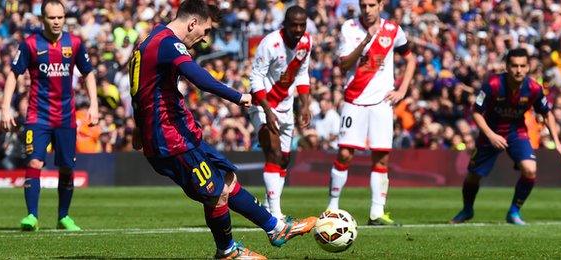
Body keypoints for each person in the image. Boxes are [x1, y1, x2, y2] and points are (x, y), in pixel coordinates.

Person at [128, 0, 316, 258]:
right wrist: (239, 97)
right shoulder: (169, 44)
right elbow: (197, 76)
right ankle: (227, 251)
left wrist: (139, 126)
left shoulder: (150, 41)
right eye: (205, 31)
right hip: (171, 140)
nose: (204, 39)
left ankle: (276, 228)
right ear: (192, 23)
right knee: (215, 194)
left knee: (227, 180)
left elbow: (139, 87)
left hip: (180, 134)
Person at [1, 0, 99, 231]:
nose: (56, 22)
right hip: (38, 116)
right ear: (42, 19)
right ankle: (32, 216)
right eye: (51, 18)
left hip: (66, 117)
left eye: (60, 17)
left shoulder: (74, 43)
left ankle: (63, 217)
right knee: (34, 162)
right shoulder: (30, 44)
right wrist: (5, 107)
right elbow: (13, 74)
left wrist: (94, 104)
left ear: (64, 18)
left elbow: (89, 73)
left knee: (66, 167)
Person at [450, 48, 561, 225]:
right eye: (514, 66)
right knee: (473, 176)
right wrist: (491, 135)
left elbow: (547, 113)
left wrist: (557, 142)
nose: (518, 70)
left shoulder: (534, 88)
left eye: (522, 66)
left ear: (528, 67)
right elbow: (476, 112)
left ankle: (514, 212)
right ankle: (467, 210)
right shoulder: (492, 84)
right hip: (490, 133)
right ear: (507, 66)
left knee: (530, 170)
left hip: (516, 132)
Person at [325, 0, 416, 226]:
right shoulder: (349, 28)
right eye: (363, 5)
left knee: (382, 157)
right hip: (354, 100)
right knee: (345, 154)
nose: (367, 10)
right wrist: (365, 41)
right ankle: (332, 206)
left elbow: (410, 58)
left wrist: (402, 90)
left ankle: (377, 212)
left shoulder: (393, 30)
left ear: (380, 5)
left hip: (381, 104)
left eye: (371, 5)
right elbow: (344, 65)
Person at [249, 6, 312, 220]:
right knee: (274, 153)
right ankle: (275, 214)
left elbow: (302, 75)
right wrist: (267, 110)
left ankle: (268, 205)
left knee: (284, 159)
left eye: (301, 25)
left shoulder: (306, 42)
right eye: (293, 25)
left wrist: (304, 105)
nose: (298, 29)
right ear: (284, 24)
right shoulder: (270, 44)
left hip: (286, 106)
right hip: (263, 104)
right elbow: (255, 78)